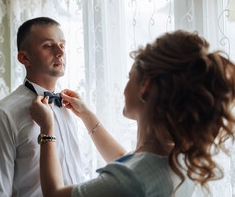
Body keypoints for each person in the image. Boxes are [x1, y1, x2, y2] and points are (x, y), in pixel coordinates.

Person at [30, 30, 235, 197]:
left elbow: (55, 195)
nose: (124, 87)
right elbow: (122, 158)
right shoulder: (178, 157)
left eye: (130, 77)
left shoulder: (130, 181)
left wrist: (47, 128)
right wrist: (86, 114)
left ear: (146, 86)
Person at [0, 17, 85, 197]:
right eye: (48, 45)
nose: (60, 52)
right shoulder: (2, 115)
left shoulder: (69, 104)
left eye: (62, 45)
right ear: (24, 57)